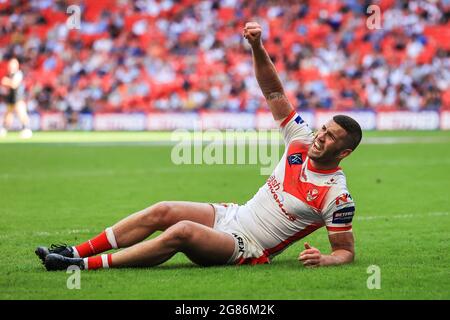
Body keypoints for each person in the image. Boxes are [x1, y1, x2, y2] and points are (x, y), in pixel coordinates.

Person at [36, 22, 361, 271]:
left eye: (331, 137)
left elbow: (346, 251)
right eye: (324, 129)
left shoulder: (336, 195)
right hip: (234, 215)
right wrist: (257, 46)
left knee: (183, 231)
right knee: (163, 209)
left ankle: (83, 266)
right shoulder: (300, 139)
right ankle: (75, 251)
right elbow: (274, 91)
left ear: (344, 152)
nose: (321, 136)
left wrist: (327, 260)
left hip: (246, 245)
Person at [0, 58, 32, 138]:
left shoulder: (18, 73)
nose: (10, 66)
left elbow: (14, 84)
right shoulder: (9, 75)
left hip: (18, 97)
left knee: (21, 113)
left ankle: (26, 129)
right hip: (11, 97)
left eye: (12, 64)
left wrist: (6, 81)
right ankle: (4, 128)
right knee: (8, 114)